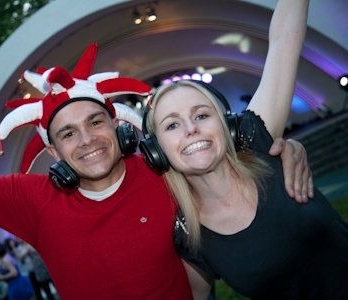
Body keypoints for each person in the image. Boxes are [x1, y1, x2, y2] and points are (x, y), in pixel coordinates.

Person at [0, 41, 312, 299]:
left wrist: (286, 149)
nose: (87, 140)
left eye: (95, 123)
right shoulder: (30, 200)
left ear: (118, 127)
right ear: (54, 151)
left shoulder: (163, 171)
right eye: (68, 133)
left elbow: (227, 151)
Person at [141, 0, 348, 299]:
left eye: (201, 115)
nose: (191, 129)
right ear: (157, 151)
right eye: (172, 125)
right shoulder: (188, 236)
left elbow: (284, 39)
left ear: (228, 126)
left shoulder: (259, 142)